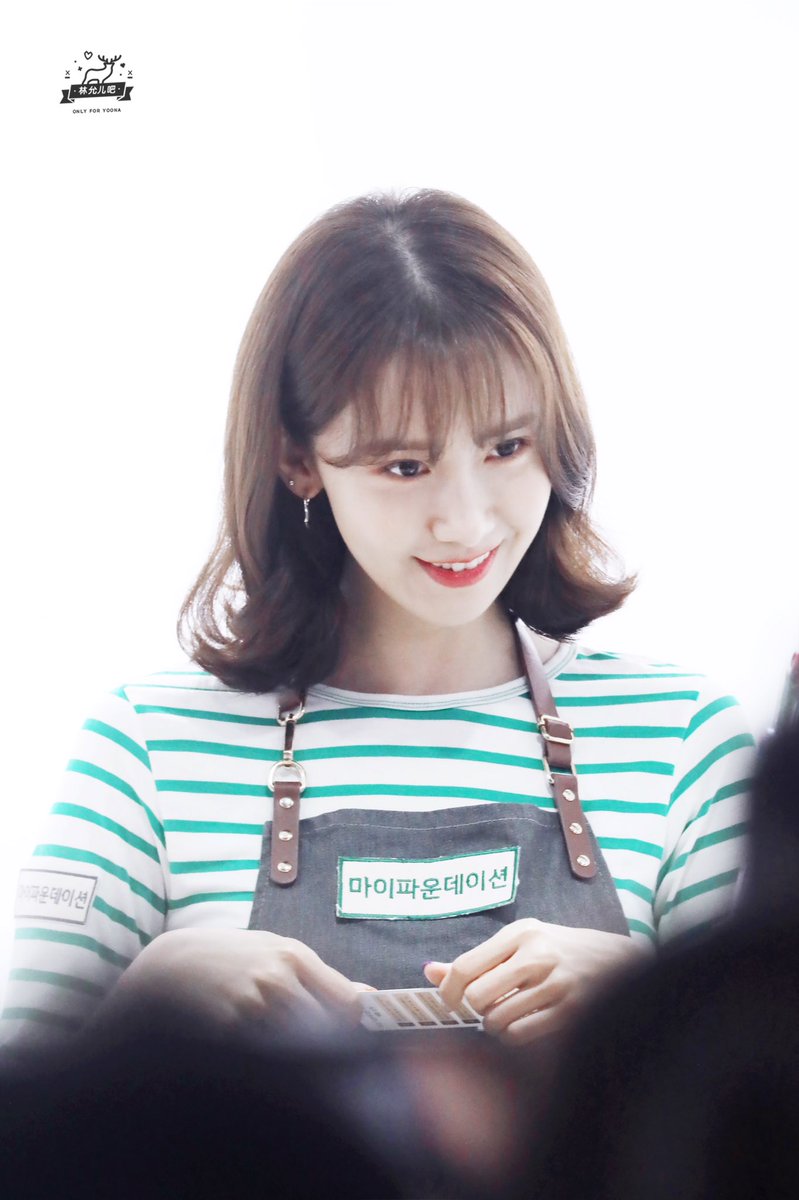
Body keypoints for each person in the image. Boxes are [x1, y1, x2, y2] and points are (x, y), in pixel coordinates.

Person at [1, 190, 754, 1050]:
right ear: (297, 459)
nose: (465, 521)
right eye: (404, 465)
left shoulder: (683, 742)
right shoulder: (147, 749)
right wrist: (143, 1011)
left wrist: (648, 1011)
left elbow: (760, 1108)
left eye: (507, 447)